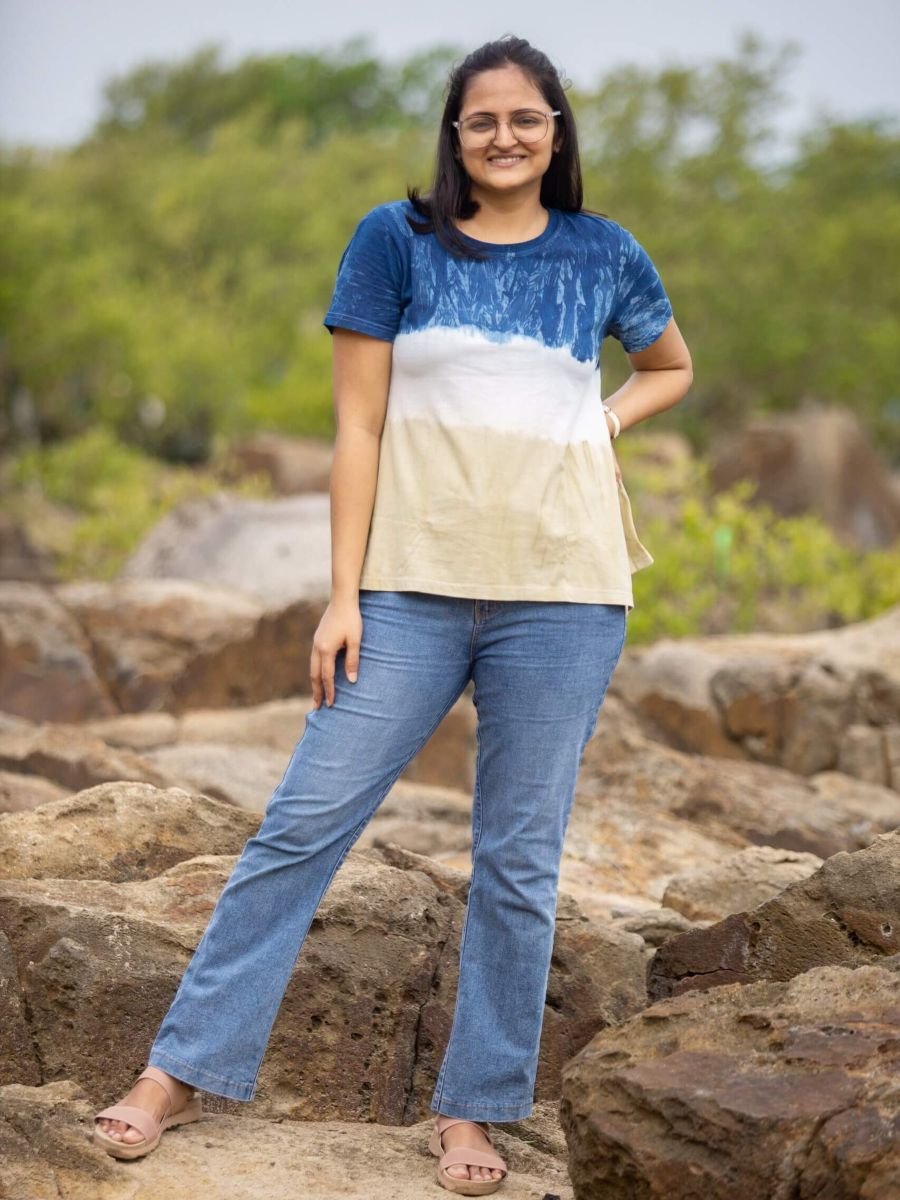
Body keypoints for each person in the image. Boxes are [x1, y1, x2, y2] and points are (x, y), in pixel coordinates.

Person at [93, 33, 692, 1196]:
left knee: (517, 861)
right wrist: (342, 596)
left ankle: (474, 1110)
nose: (505, 136)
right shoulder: (396, 240)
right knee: (302, 823)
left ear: (556, 132)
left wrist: (599, 423)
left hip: (566, 595)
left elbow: (670, 365)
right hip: (410, 590)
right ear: (455, 133)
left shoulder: (605, 252)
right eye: (483, 120)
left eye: (526, 118)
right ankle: (177, 1073)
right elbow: (357, 427)